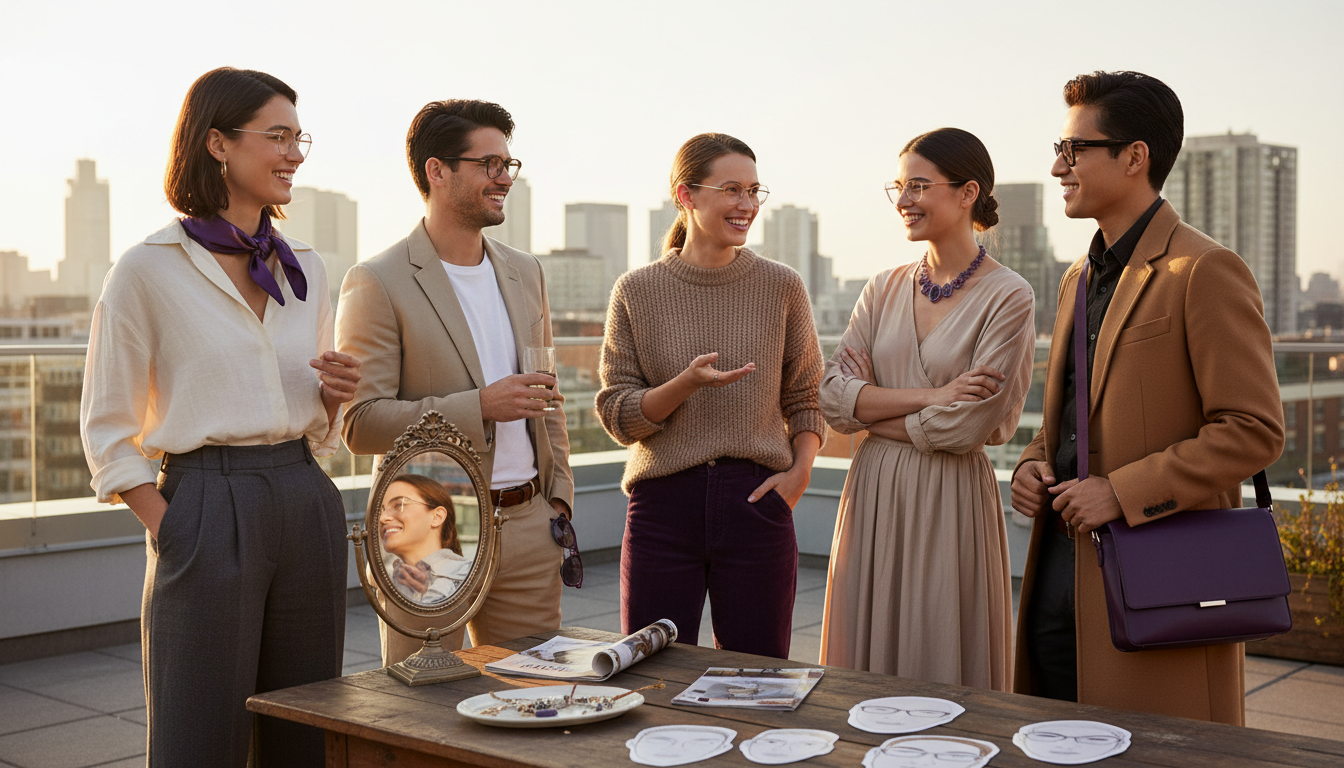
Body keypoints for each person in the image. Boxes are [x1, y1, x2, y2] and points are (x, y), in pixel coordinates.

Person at [79, 67, 362, 766]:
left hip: (303, 494)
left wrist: (333, 395)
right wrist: (170, 525)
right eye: (277, 136)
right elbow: (107, 421)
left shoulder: (308, 270)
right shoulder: (147, 269)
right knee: (196, 733)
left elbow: (321, 426)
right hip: (203, 501)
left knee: (307, 726)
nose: (295, 153)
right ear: (217, 143)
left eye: (300, 138)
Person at [1010, 71, 1284, 724]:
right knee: (1055, 734)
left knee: (1155, 743)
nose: (1057, 167)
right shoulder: (1077, 276)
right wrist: (1030, 463)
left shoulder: (1205, 270)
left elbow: (1253, 428)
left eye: (1074, 149)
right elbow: (1073, 411)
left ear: (1135, 156)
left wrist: (1122, 491)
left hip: (1163, 570)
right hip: (1058, 566)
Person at [337, 99, 573, 665]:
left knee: (535, 700)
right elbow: (359, 422)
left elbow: (549, 396)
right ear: (436, 171)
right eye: (488, 164)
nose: (504, 178)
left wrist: (557, 500)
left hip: (527, 525)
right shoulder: (377, 280)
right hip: (428, 532)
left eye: (508, 165)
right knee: (424, 714)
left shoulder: (525, 270)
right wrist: (481, 406)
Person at [818, 128, 1033, 691]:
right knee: (863, 672)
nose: (904, 200)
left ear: (967, 193)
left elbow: (965, 426)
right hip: (873, 491)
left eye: (918, 185)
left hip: (949, 497)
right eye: (898, 187)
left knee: (936, 655)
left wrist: (873, 414)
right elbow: (831, 398)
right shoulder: (882, 287)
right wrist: (932, 396)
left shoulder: (1010, 295)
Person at [596, 133, 825, 659]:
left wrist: (800, 472)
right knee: (653, 672)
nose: (747, 205)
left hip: (757, 501)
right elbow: (618, 415)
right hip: (663, 506)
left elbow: (806, 395)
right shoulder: (636, 290)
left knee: (758, 675)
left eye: (753, 191)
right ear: (687, 196)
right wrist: (684, 386)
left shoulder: (782, 286)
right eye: (731, 190)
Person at [379, 474, 472, 603]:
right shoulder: (389, 579)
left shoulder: (468, 576)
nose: (382, 518)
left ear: (437, 517)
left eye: (398, 505)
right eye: (381, 510)